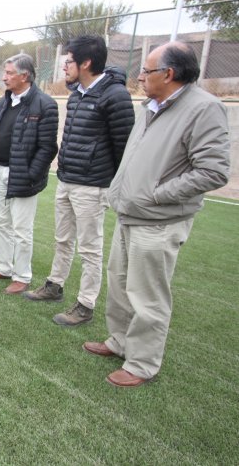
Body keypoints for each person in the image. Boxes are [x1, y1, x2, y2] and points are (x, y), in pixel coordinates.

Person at [84, 42, 230, 388]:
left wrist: (157, 195)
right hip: (130, 214)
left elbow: (213, 171)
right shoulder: (151, 106)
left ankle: (143, 362)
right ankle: (120, 342)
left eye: (147, 71)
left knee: (147, 295)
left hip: (159, 220)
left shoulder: (204, 108)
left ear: (169, 74)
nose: (140, 77)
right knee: (119, 285)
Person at [23, 36, 135, 326]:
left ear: (86, 63)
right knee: (62, 239)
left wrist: (113, 184)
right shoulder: (76, 95)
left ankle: (86, 303)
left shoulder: (115, 96)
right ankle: (54, 285)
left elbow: (124, 146)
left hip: (93, 185)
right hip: (67, 179)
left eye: (69, 61)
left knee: (89, 247)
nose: (64, 68)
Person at [0, 54, 59, 293]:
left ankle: (22, 275)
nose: (4, 77)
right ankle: (2, 267)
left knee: (22, 229)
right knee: (1, 222)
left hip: (23, 176)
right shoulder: (5, 101)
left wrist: (32, 174)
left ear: (24, 75)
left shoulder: (44, 104)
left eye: (9, 73)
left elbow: (47, 147)